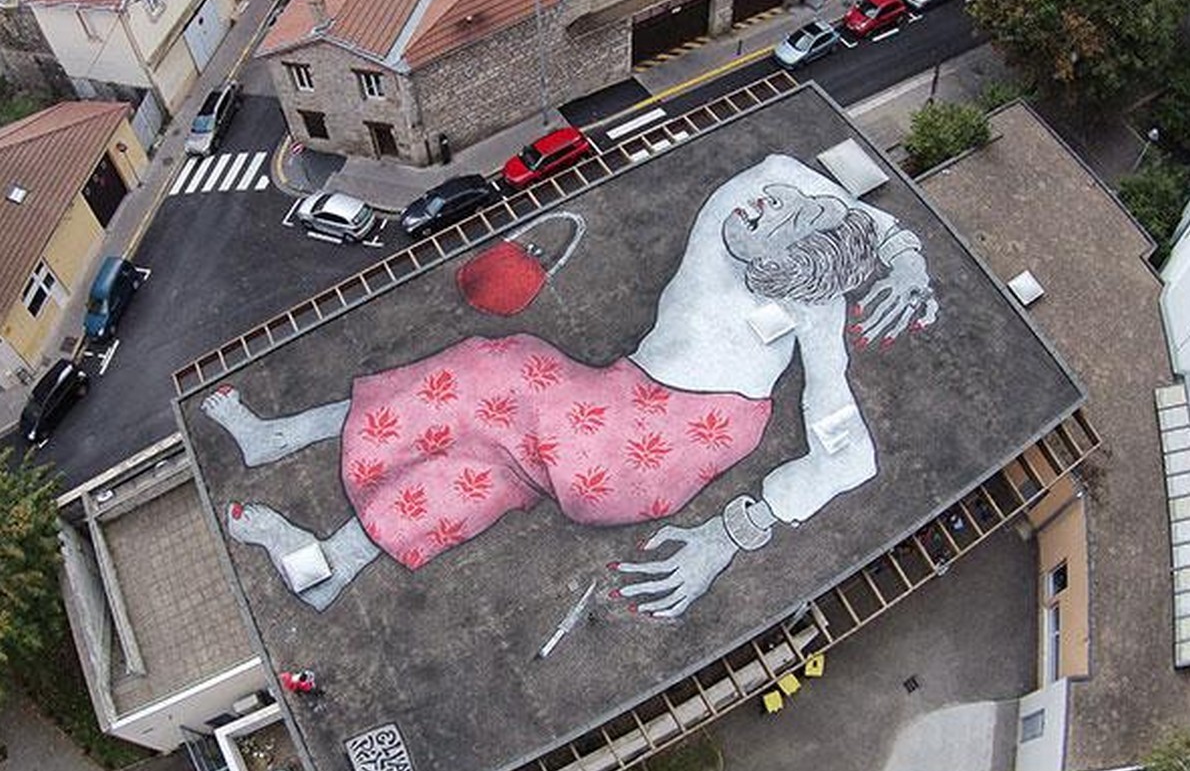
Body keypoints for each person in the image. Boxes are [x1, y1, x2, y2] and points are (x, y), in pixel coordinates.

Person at [202, 155, 939, 616]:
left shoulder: (814, 311)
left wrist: (729, 535)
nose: (763, 200)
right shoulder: (744, 223)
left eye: (780, 216)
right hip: (608, 434)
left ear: (798, 260)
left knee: (498, 370)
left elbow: (851, 458)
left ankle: (285, 440)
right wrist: (901, 250)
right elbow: (781, 168)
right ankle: (324, 566)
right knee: (488, 460)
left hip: (625, 443)